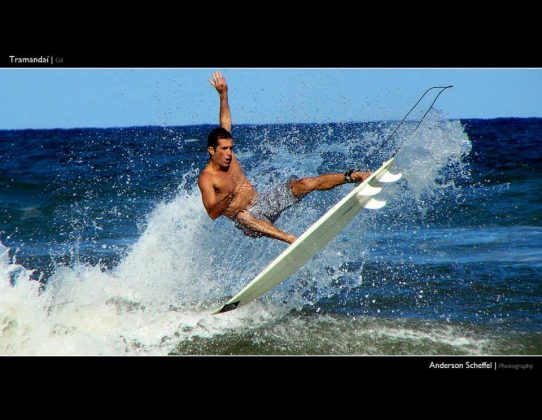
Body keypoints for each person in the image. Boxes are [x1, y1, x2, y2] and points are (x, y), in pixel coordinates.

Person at [198, 71, 371, 245]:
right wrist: (228, 199)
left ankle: (353, 176)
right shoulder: (207, 178)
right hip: (249, 223)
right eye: (224, 149)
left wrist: (223, 95)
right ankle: (290, 239)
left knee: (302, 184)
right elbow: (212, 213)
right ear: (212, 150)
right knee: (242, 216)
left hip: (263, 202)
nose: (229, 153)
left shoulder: (229, 153)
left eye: (231, 148)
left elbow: (225, 121)